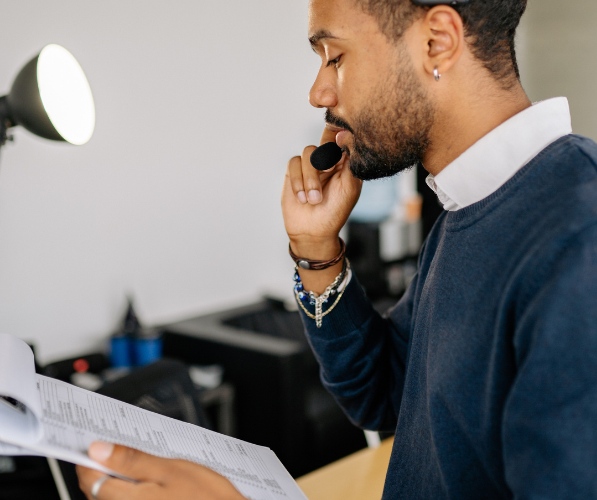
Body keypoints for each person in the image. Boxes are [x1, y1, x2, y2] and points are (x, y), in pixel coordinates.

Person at [78, 0, 597, 498]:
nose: (318, 91)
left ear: (438, 42)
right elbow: (384, 393)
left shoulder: (577, 237)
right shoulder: (469, 207)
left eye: (335, 56)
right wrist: (317, 251)